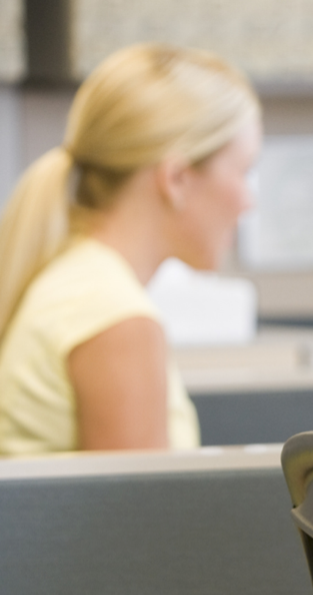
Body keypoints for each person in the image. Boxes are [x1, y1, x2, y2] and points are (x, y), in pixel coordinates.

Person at [0, 44, 260, 456]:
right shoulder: (116, 321)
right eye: (244, 172)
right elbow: (139, 519)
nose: (249, 201)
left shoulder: (78, 281)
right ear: (175, 178)